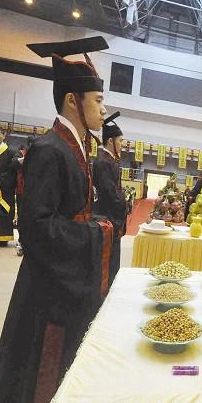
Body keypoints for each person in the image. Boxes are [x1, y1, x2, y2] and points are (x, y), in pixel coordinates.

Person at [0, 37, 114, 403]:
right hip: (48, 284)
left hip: (65, 277)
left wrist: (89, 228)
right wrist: (96, 232)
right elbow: (36, 228)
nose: (103, 109)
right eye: (97, 100)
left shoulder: (76, 148)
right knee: (42, 364)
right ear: (73, 100)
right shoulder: (49, 150)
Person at [92, 114, 128, 288]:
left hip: (111, 216)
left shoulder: (109, 160)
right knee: (108, 262)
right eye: (120, 141)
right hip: (107, 217)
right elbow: (110, 194)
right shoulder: (103, 162)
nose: (121, 145)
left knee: (113, 261)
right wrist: (125, 204)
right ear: (110, 141)